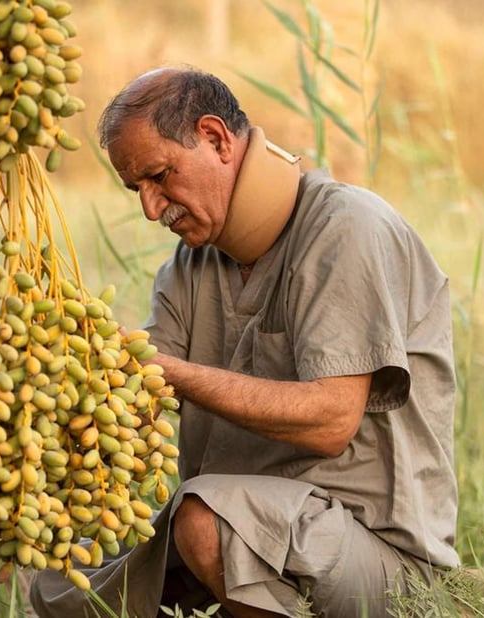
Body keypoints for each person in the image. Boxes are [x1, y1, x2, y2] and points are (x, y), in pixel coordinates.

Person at [29, 66, 459, 618]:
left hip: (377, 558)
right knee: (63, 584)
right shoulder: (189, 266)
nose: (151, 208)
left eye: (159, 176)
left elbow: (331, 421)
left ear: (215, 138)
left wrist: (168, 372)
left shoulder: (347, 227)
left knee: (205, 523)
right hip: (250, 534)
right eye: (136, 188)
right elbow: (135, 400)